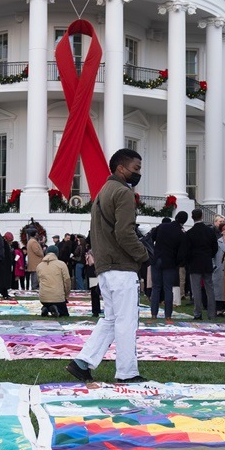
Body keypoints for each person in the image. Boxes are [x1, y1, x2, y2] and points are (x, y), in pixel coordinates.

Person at [66, 149, 150, 383]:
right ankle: (126, 372)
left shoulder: (103, 192)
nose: (138, 173)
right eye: (136, 168)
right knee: (126, 320)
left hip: (106, 266)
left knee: (112, 319)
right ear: (121, 168)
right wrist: (143, 254)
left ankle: (82, 362)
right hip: (121, 266)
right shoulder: (123, 193)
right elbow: (125, 233)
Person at [182, 213, 220, 320]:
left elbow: (186, 250)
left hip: (194, 263)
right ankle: (212, 314)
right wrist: (209, 256)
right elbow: (215, 247)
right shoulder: (209, 231)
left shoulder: (190, 233)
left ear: (192, 217)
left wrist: (189, 261)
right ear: (202, 216)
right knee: (210, 289)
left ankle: (198, 313)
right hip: (207, 262)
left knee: (196, 289)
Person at [150, 212, 185, 323]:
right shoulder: (180, 233)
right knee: (168, 289)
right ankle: (168, 315)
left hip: (157, 259)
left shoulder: (163, 226)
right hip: (170, 262)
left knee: (156, 287)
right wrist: (176, 263)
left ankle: (154, 314)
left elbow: (152, 236)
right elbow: (181, 252)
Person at [38, 250, 71, 317]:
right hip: (58, 297)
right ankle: (54, 309)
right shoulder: (61, 264)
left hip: (43, 298)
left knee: (49, 301)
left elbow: (39, 281)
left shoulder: (39, 266)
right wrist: (66, 295)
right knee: (64, 314)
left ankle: (46, 308)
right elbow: (67, 281)